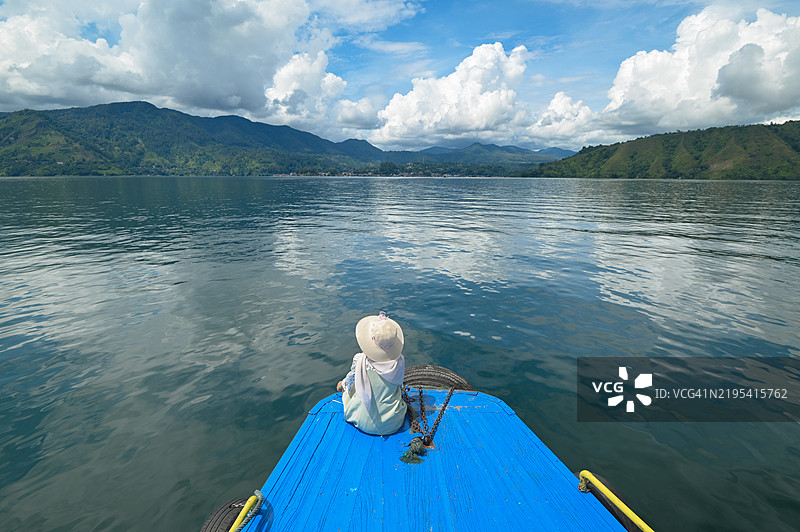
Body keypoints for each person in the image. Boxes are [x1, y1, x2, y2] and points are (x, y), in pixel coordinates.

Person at [337, 311, 407, 435]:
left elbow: (352, 379)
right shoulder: (399, 362)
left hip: (362, 421)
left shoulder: (360, 360)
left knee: (348, 391)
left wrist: (342, 384)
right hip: (393, 422)